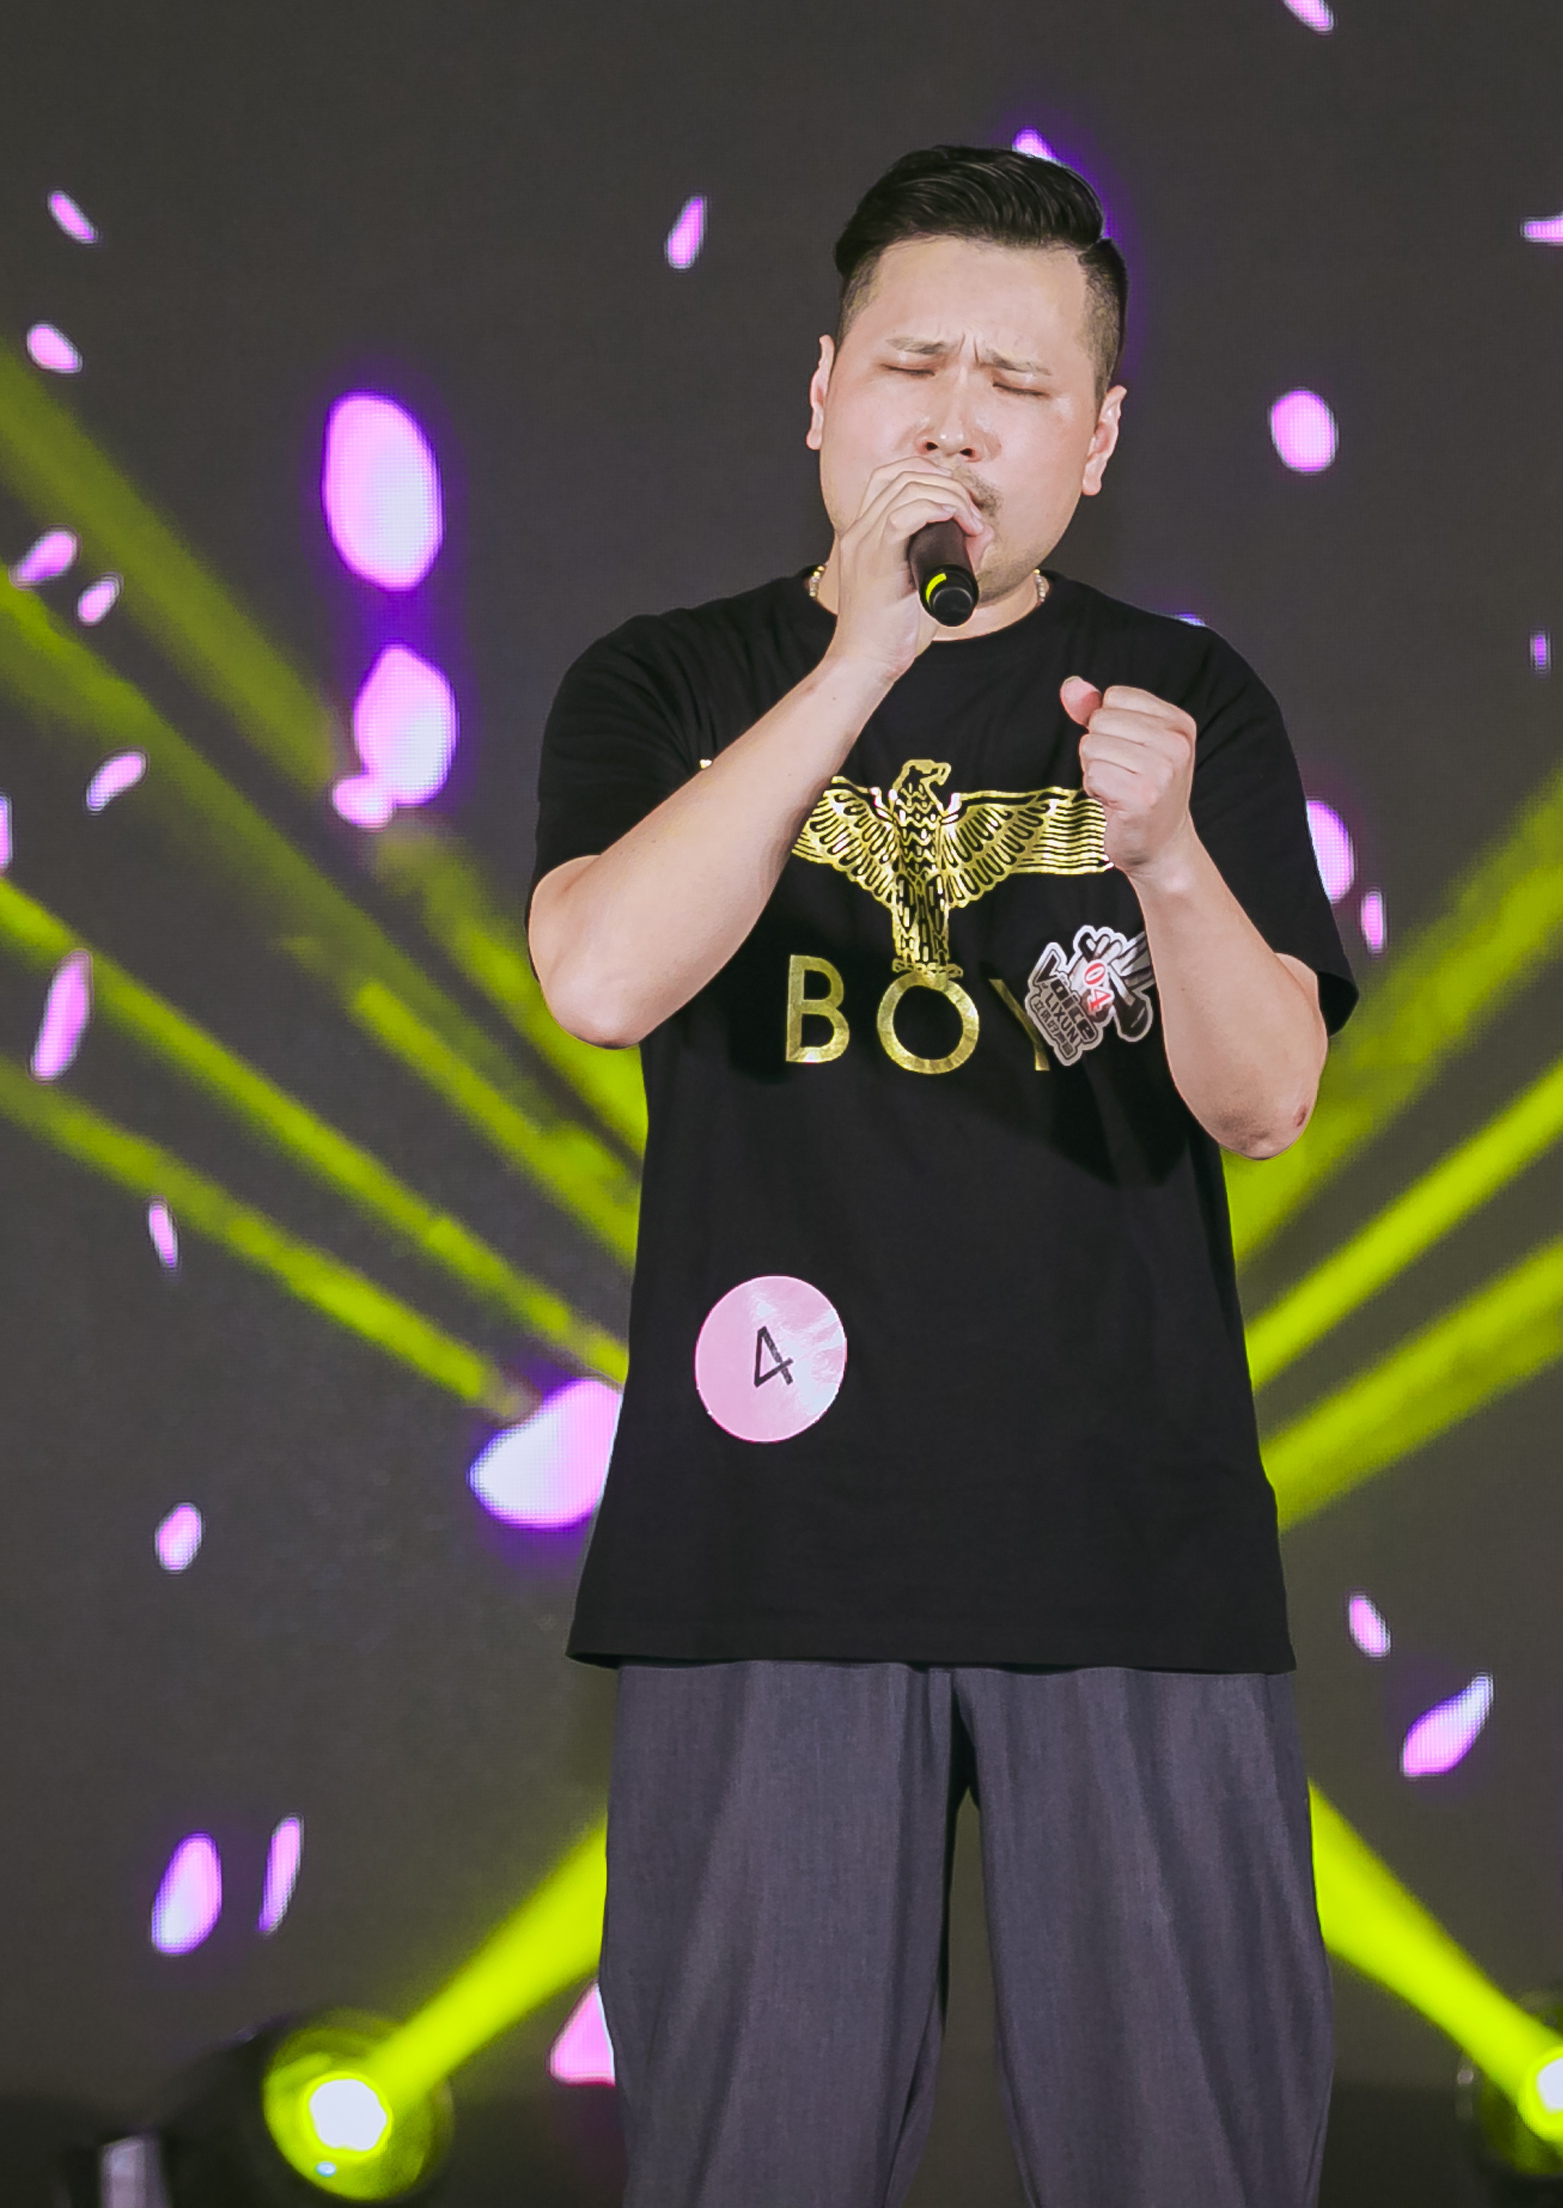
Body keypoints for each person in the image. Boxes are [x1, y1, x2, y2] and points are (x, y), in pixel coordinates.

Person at [526, 143, 1354, 2207]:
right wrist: (866, 662)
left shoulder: (1187, 701)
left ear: (1100, 438)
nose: (956, 421)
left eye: (1017, 382)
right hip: (770, 1548)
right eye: (911, 368)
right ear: (823, 394)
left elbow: (1267, 1100)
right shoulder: (666, 683)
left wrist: (1168, 859)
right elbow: (603, 976)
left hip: (1128, 1547)